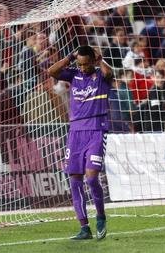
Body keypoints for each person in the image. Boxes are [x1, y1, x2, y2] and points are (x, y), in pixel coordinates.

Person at [47, 45, 112, 240]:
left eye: (86, 64)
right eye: (80, 64)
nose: (82, 68)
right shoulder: (73, 74)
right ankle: (84, 227)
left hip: (96, 130)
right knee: (75, 181)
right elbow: (52, 71)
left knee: (91, 178)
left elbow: (110, 72)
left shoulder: (102, 74)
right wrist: (69, 57)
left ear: (93, 61)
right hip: (75, 132)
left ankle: (100, 217)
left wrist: (100, 60)